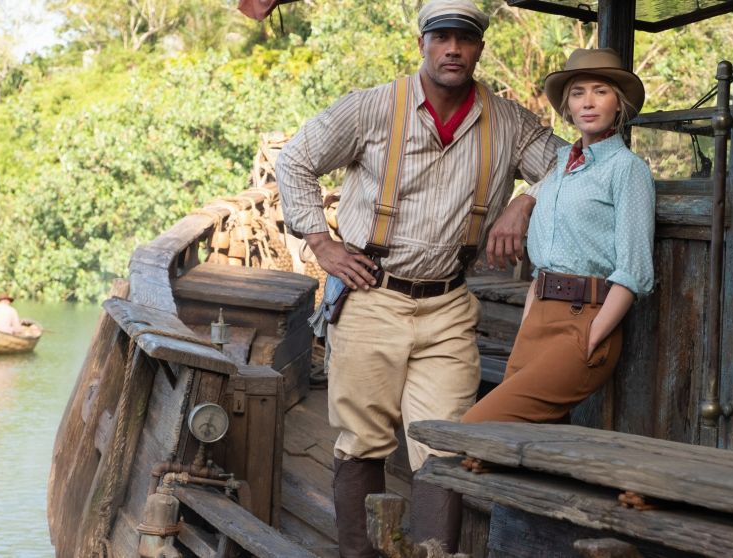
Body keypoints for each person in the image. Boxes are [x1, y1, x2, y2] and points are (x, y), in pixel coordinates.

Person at [274, 1, 566, 555]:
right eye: (442, 37)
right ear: (422, 44)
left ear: (479, 48)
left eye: (465, 39)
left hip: (449, 305)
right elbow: (294, 160)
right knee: (363, 440)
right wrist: (321, 243)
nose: (453, 49)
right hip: (371, 294)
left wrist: (524, 202)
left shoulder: (508, 122)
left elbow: (571, 167)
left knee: (444, 444)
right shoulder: (372, 107)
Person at [461, 48, 655, 441]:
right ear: (567, 106)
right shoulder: (559, 167)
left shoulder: (627, 170)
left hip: (585, 321)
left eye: (601, 91)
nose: (588, 102)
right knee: (530, 447)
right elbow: (543, 263)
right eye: (578, 93)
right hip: (538, 319)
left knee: (477, 430)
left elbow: (634, 270)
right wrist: (528, 321)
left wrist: (593, 335)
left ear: (619, 103)